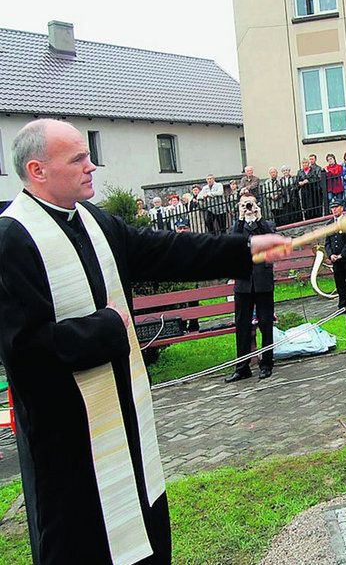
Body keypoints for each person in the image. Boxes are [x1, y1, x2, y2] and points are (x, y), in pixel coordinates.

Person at [0, 119, 290, 565]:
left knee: (144, 531)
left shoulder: (94, 220)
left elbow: (166, 250)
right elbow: (25, 351)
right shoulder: (11, 240)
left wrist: (245, 248)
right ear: (37, 171)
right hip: (67, 442)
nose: (91, 166)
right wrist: (110, 330)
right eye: (78, 158)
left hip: (126, 418)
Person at [226, 194, 277, 383]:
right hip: (243, 283)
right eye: (244, 205)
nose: (247, 207)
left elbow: (270, 238)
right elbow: (233, 242)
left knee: (265, 323)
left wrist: (258, 217)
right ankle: (242, 367)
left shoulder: (265, 224)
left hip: (262, 281)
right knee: (242, 325)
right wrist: (241, 218)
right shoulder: (236, 226)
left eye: (250, 204)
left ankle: (267, 364)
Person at [324, 198, 346, 313]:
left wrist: (342, 255)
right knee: (340, 284)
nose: (334, 210)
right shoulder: (329, 224)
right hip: (336, 260)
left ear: (341, 208)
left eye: (336, 207)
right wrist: (331, 255)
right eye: (332, 208)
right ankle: (342, 305)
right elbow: (327, 242)